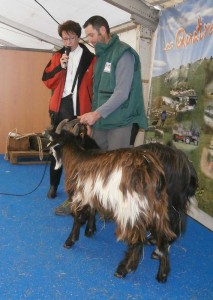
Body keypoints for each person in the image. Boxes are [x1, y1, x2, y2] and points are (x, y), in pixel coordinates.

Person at [42, 20, 96, 213]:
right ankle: (53, 185)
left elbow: (94, 87)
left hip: (79, 110)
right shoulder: (57, 56)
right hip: (60, 109)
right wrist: (60, 68)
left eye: (71, 38)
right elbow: (47, 81)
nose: (68, 42)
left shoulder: (90, 58)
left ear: (78, 37)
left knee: (78, 151)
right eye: (65, 38)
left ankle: (75, 190)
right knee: (56, 149)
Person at [79, 15, 147, 151]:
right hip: (102, 124)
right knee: (97, 165)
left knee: (117, 169)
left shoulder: (123, 54)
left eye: (91, 35)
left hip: (121, 123)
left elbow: (121, 94)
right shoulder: (100, 56)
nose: (89, 40)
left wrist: (95, 114)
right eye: (87, 36)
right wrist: (91, 119)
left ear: (103, 30)